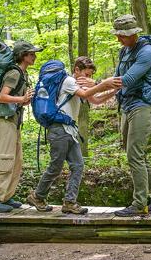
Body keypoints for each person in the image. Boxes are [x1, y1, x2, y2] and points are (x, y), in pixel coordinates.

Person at [26, 57, 117, 214]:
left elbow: (95, 100)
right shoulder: (68, 81)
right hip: (60, 129)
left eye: (90, 76)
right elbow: (87, 93)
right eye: (86, 75)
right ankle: (37, 196)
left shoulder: (75, 85)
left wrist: (115, 91)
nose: (88, 79)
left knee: (78, 166)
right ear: (76, 70)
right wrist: (103, 84)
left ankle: (69, 202)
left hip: (70, 131)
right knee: (56, 166)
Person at [102, 14, 151, 217]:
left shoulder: (147, 52)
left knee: (134, 155)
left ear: (133, 33)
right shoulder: (124, 50)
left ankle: (140, 203)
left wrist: (98, 86)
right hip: (128, 106)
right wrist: (97, 89)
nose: (119, 39)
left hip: (143, 107)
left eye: (122, 35)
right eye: (118, 35)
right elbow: (116, 78)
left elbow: (128, 79)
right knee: (137, 155)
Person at [0, 41, 42, 213]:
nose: (34, 56)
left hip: (14, 120)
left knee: (17, 160)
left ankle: (5, 196)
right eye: (31, 54)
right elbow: (2, 97)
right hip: (4, 120)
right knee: (6, 158)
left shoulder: (23, 73)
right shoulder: (14, 73)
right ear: (23, 55)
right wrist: (21, 100)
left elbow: (15, 99)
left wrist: (24, 100)